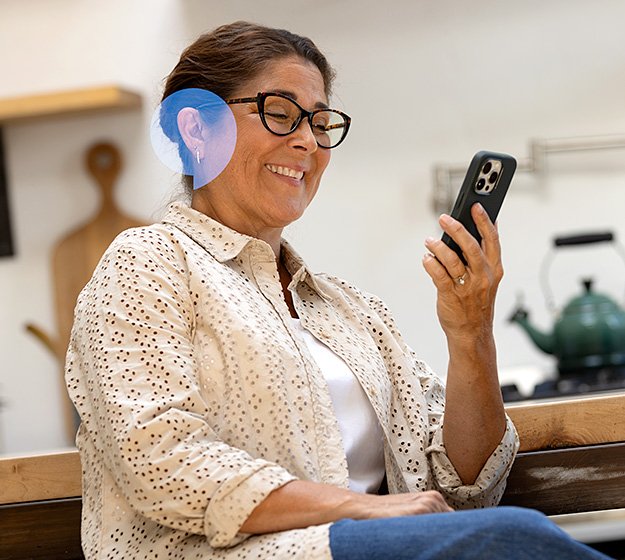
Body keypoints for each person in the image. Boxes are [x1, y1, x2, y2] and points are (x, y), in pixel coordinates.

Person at [65, 21, 612, 560]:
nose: (307, 140)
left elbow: (466, 490)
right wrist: (362, 509)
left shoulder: (350, 310)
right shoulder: (147, 263)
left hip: (371, 549)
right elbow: (160, 462)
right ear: (196, 129)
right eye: (279, 114)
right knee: (513, 537)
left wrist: (471, 332)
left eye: (321, 123)